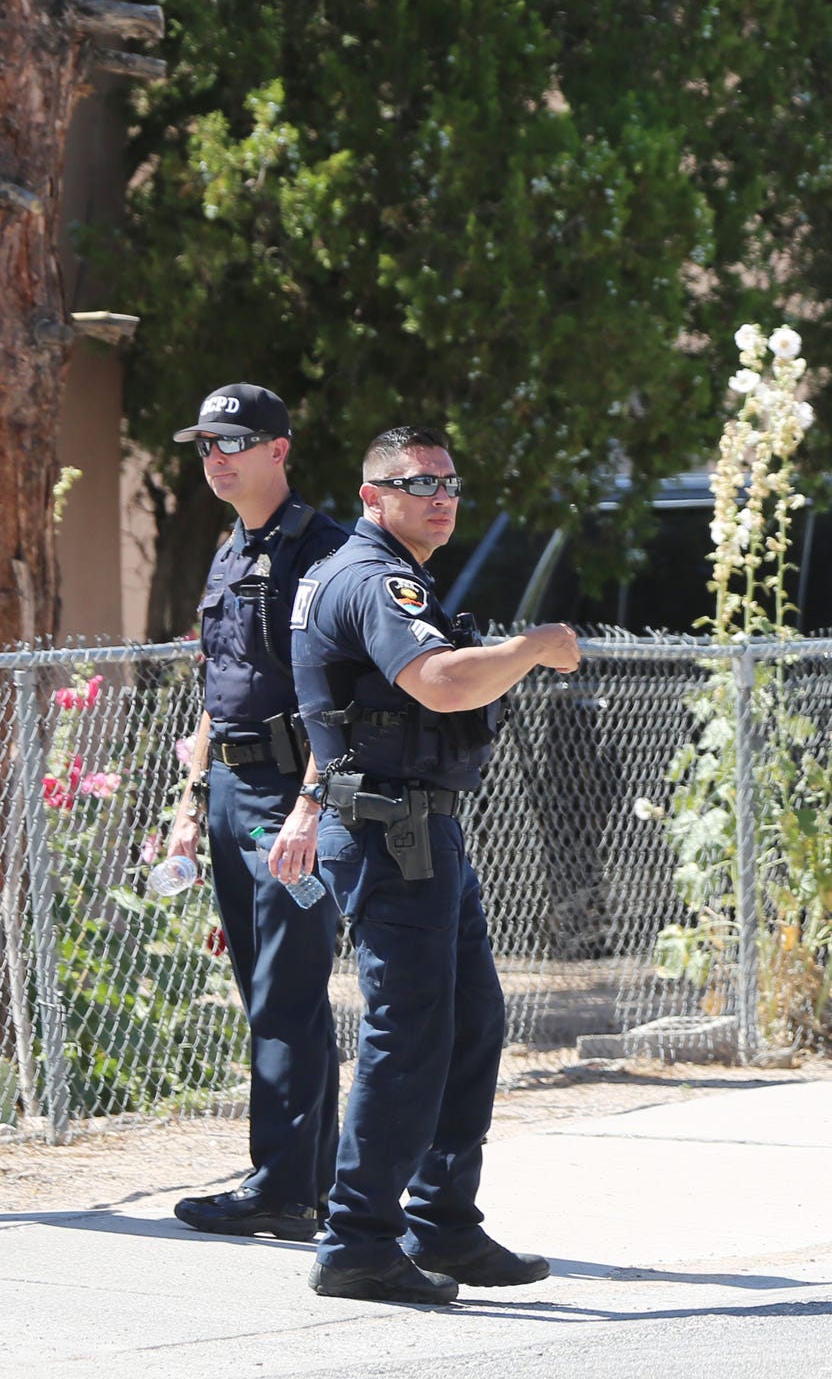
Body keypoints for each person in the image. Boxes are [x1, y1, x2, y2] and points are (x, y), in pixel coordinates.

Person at [287, 426, 582, 1303]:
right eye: (416, 483)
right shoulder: (376, 579)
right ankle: (358, 1242)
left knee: (468, 1023)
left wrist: (305, 805)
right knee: (408, 1035)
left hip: (416, 830)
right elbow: (441, 684)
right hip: (392, 836)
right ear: (373, 496)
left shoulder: (368, 573)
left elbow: (339, 715)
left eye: (449, 482)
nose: (439, 496)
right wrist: (534, 647)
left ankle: (443, 1224)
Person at [158, 384, 352, 1240]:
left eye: (232, 442)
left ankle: (280, 1186)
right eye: (204, 446)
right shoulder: (231, 549)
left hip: (291, 796)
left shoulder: (327, 551)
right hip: (234, 795)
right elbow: (216, 691)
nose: (216, 458)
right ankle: (310, 1184)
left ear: (279, 448)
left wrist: (310, 809)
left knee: (287, 990)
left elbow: (338, 700)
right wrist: (189, 811)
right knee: (272, 992)